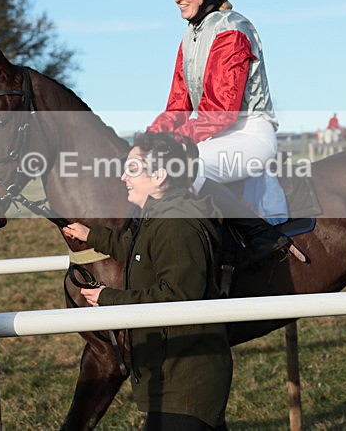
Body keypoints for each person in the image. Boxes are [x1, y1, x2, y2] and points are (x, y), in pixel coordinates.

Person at [63, 132, 231, 431]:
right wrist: (92, 236)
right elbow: (137, 248)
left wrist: (108, 298)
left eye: (132, 169)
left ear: (159, 176)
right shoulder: (157, 215)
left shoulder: (175, 225)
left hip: (185, 382)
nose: (124, 177)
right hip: (173, 377)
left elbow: (178, 297)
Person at [146, 0, 297, 260]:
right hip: (214, 136)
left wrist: (171, 140)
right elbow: (178, 106)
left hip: (249, 134)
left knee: (183, 167)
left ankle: (262, 236)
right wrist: (149, 138)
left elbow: (221, 112)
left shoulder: (233, 30)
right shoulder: (190, 37)